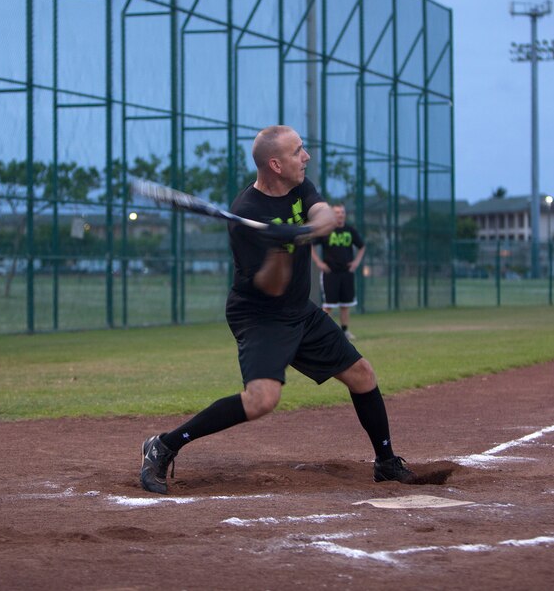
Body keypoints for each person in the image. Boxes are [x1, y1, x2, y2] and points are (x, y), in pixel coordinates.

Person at [139, 125, 416, 494]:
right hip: (260, 315)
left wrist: (296, 233)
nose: (306, 157)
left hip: (299, 310)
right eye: (298, 151)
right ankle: (164, 444)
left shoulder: (300, 185)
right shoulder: (246, 214)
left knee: (362, 375)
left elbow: (324, 219)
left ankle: (385, 462)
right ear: (275, 164)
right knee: (261, 400)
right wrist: (275, 248)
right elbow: (272, 285)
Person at [312, 204, 366, 340]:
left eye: (342, 212)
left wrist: (356, 262)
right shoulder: (326, 230)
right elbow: (310, 245)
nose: (340, 215)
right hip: (330, 272)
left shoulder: (350, 230)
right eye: (337, 212)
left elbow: (362, 246)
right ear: (332, 214)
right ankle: (323, 333)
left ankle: (345, 331)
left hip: (346, 272)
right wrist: (319, 263)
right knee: (328, 305)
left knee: (345, 305)